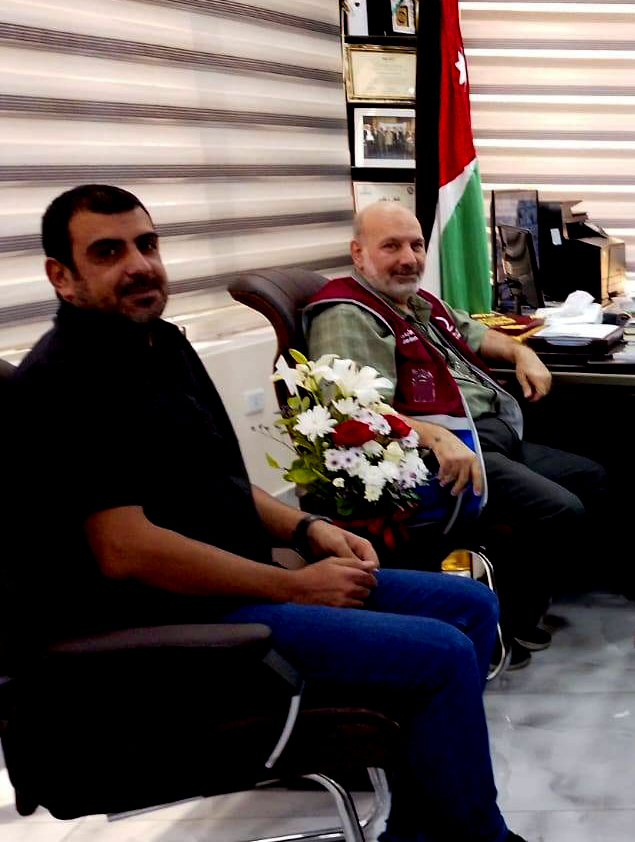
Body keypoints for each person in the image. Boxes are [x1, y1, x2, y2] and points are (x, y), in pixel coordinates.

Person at [6, 185, 525, 842]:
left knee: (470, 606)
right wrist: (294, 586)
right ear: (62, 276)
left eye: (147, 244)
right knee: (442, 654)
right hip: (170, 633)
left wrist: (310, 529)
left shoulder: (159, 346)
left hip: (234, 594)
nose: (139, 264)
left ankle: (425, 831)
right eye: (108, 252)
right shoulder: (66, 380)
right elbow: (127, 550)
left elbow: (219, 486)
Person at [305, 201, 605, 664]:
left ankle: (515, 604)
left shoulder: (416, 303)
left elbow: (479, 335)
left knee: (589, 478)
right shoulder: (349, 314)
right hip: (441, 454)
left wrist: (522, 353)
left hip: (488, 435)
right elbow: (352, 411)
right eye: (391, 246)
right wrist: (434, 436)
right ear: (358, 254)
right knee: (559, 510)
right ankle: (498, 626)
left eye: (416, 245)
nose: (409, 258)